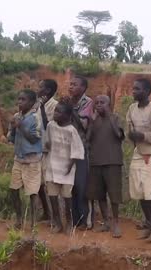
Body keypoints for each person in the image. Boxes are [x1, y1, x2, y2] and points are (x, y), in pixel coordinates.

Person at [126, 78, 151, 242]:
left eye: (137, 89)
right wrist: (132, 136)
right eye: (133, 88)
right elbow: (129, 128)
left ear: (147, 92)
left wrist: (142, 136)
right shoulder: (131, 108)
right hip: (139, 151)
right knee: (139, 190)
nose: (133, 91)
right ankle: (150, 223)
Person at [87, 95, 125, 238]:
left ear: (109, 104)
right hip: (96, 161)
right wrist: (91, 122)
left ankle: (116, 222)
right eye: (96, 103)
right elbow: (88, 138)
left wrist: (108, 116)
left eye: (102, 103)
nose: (99, 105)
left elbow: (118, 135)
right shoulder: (94, 120)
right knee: (100, 195)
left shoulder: (115, 118)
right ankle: (106, 222)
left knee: (114, 194)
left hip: (112, 161)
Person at [45, 101, 85, 235]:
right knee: (52, 196)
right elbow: (48, 143)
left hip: (67, 169)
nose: (55, 113)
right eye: (55, 110)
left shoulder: (71, 130)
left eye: (58, 111)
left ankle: (69, 223)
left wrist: (69, 166)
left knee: (67, 197)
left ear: (67, 115)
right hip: (52, 167)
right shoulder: (51, 125)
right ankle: (57, 223)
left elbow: (78, 151)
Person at [8, 89, 43, 230]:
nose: (20, 102)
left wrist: (20, 126)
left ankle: (34, 223)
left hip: (32, 161)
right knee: (13, 189)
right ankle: (19, 219)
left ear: (32, 102)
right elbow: (10, 138)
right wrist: (12, 127)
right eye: (19, 99)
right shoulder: (17, 116)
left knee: (33, 193)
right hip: (18, 159)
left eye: (23, 100)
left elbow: (35, 138)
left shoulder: (35, 118)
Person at [66, 75, 94, 229]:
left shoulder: (87, 102)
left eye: (74, 84)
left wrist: (70, 110)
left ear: (83, 88)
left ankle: (86, 220)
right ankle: (75, 219)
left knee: (82, 186)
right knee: (72, 186)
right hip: (68, 149)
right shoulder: (69, 102)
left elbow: (83, 125)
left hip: (82, 149)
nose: (70, 87)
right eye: (70, 84)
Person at [35, 79, 59, 222]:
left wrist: (43, 108)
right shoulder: (38, 105)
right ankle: (46, 212)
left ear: (48, 91)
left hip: (49, 150)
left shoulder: (54, 105)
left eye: (41, 87)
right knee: (39, 184)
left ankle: (55, 216)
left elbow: (48, 125)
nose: (38, 89)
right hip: (38, 149)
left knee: (50, 184)